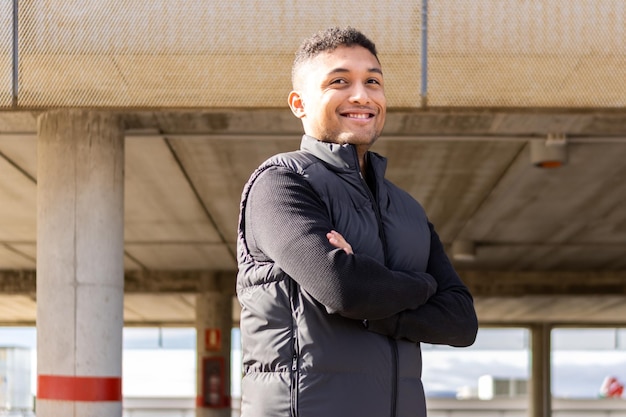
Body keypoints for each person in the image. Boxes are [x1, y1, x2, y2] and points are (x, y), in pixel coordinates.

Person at [236, 26, 478, 417]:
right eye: (339, 81)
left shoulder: (408, 209)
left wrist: (376, 298)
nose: (361, 95)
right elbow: (344, 288)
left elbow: (461, 322)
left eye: (373, 82)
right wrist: (424, 287)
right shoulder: (280, 183)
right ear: (299, 103)